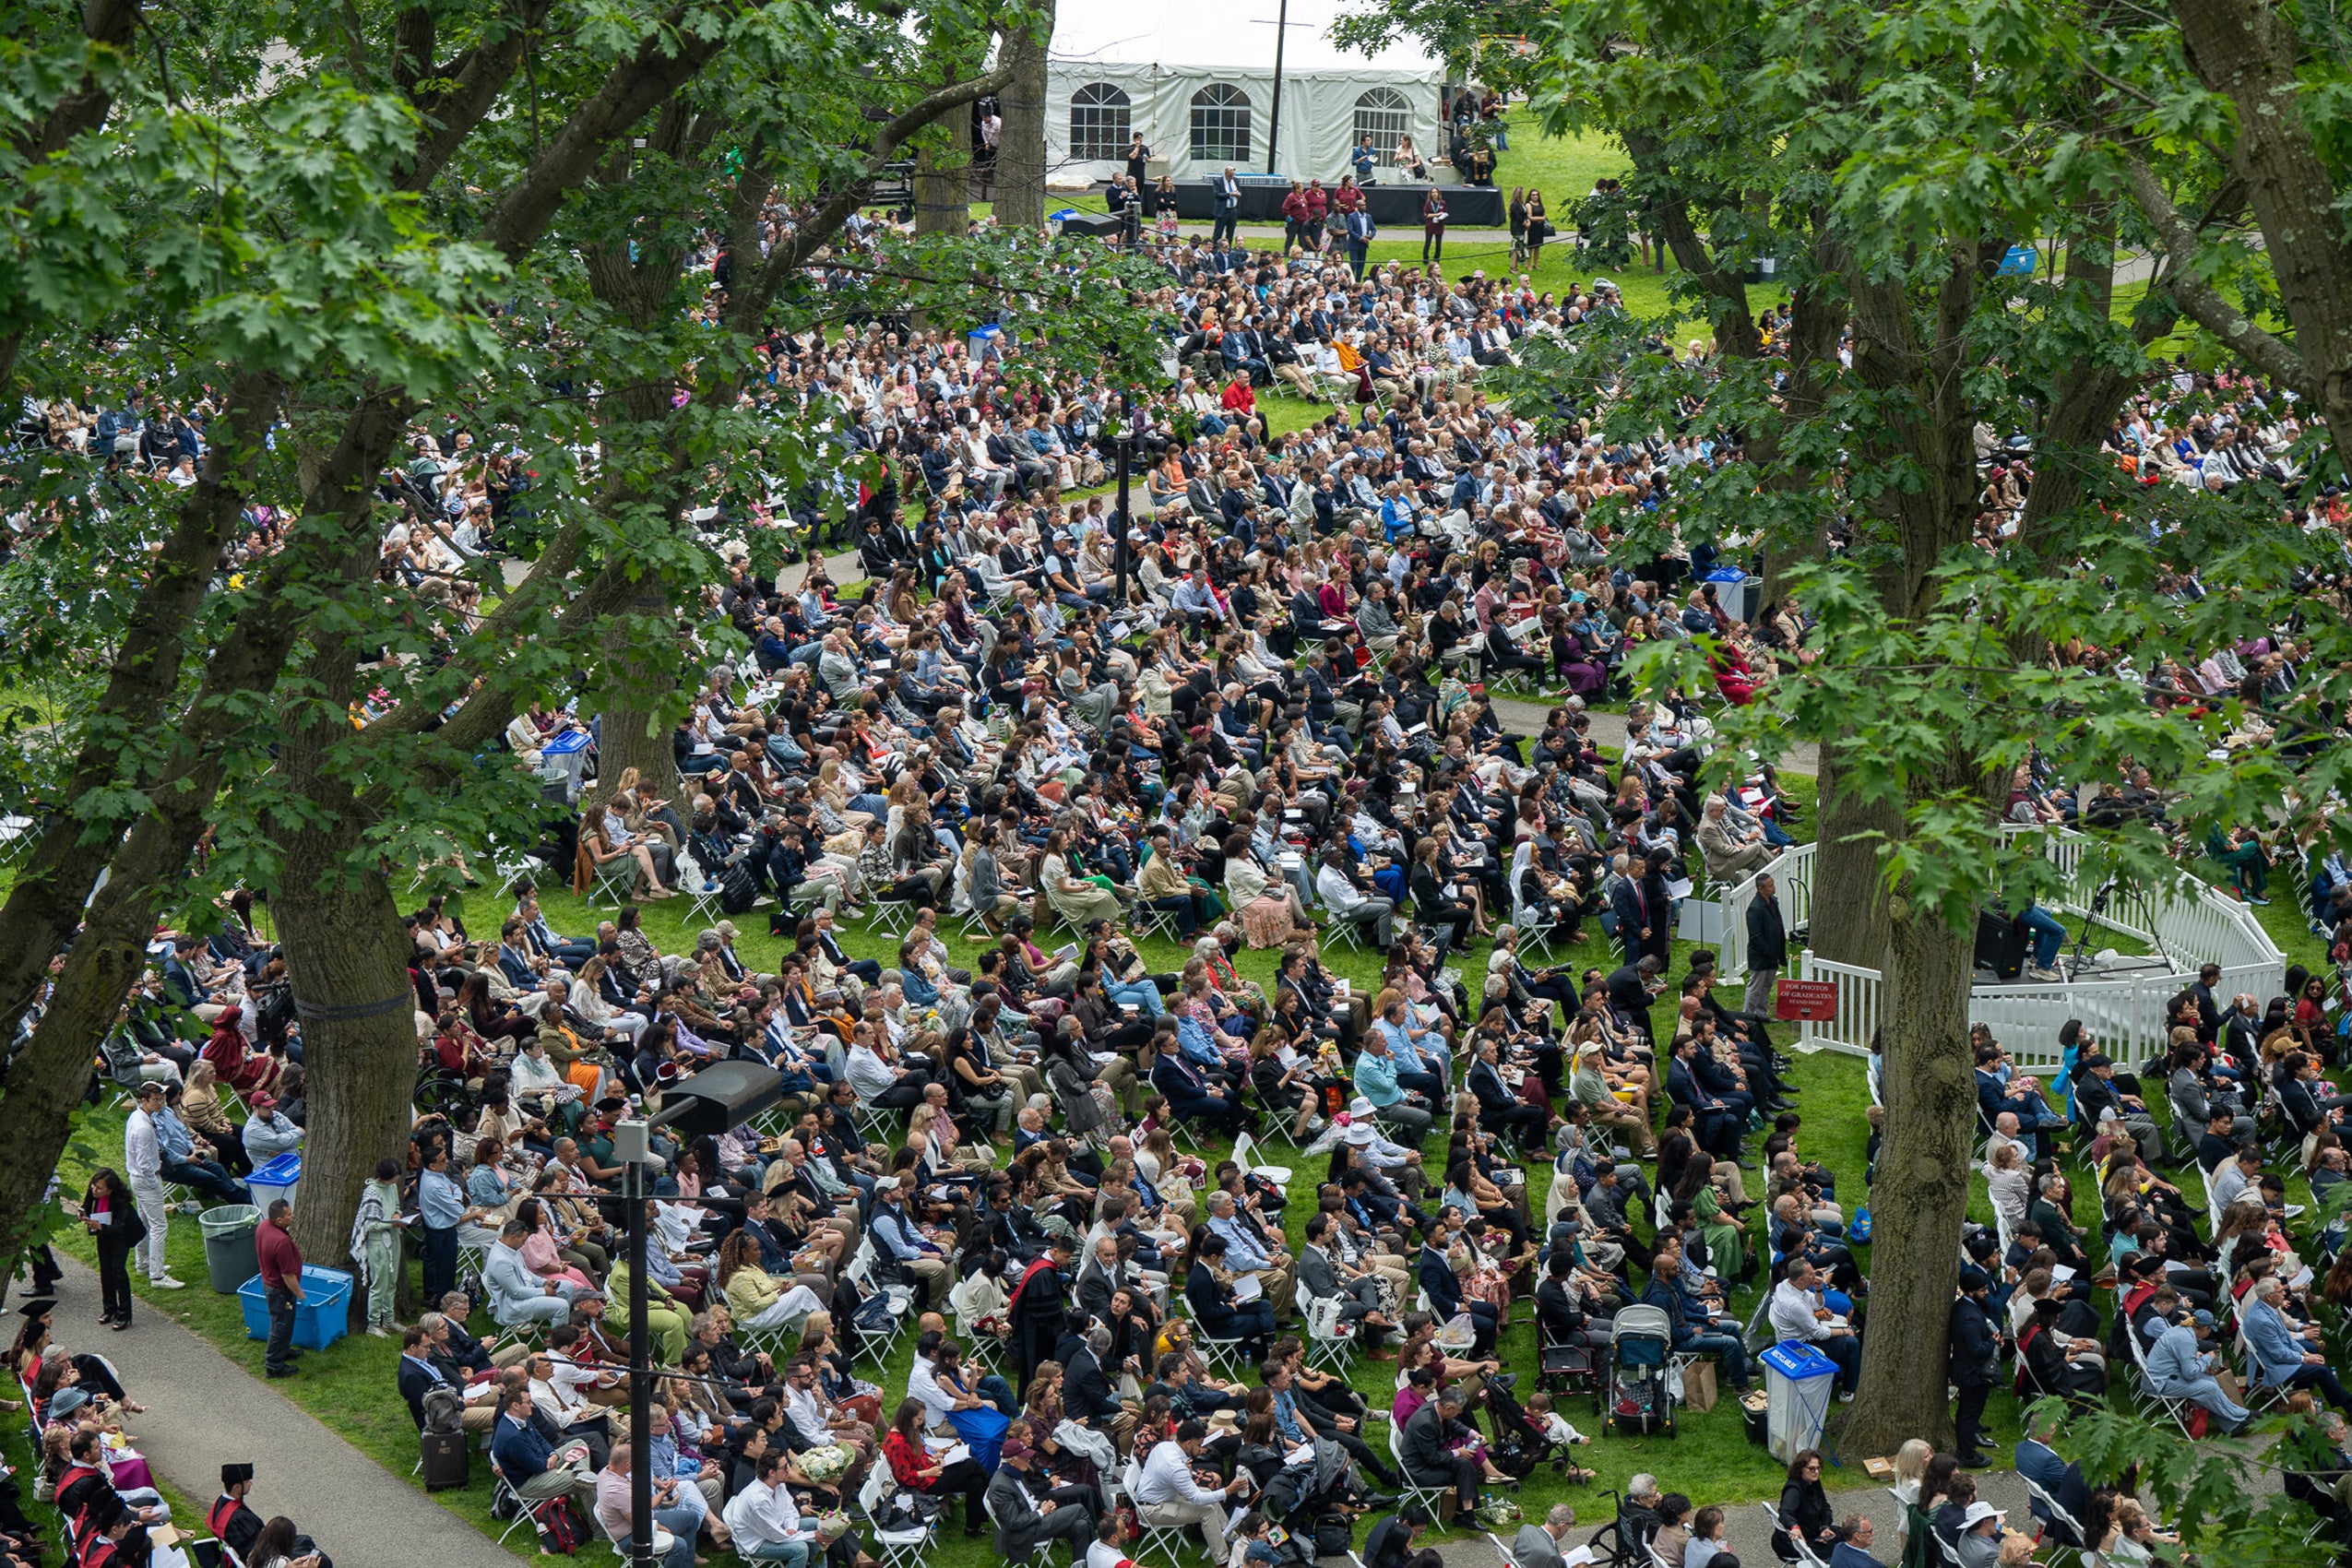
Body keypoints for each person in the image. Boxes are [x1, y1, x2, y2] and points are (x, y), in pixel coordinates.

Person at [1134, 1420, 1249, 1561]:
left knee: (1207, 1492)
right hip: (1153, 1509)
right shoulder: (1175, 1466)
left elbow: (1181, 1483)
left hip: (1157, 1498)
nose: (1201, 1449)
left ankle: (1232, 1537)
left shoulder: (1164, 1446)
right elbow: (1197, 1499)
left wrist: (1187, 1472)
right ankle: (1223, 1560)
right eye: (1199, 1445)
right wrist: (1228, 1490)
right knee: (1206, 1512)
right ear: (1188, 1443)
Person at [122, 1083, 186, 1292]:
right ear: (144, 1101)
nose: (161, 1103)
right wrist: (153, 1182)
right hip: (146, 1179)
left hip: (139, 1178)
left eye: (162, 1099)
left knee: (145, 1222)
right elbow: (143, 1162)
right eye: (156, 1099)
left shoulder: (138, 1118)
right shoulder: (143, 1128)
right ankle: (157, 1275)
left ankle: (144, 1263)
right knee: (160, 1226)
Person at [991, 1435, 1097, 1562]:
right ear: (1012, 1461)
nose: (1028, 1461)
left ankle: (1082, 1564)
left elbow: (1028, 1499)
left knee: (1081, 1525)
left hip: (1035, 1518)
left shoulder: (1015, 1472)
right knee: (1079, 1509)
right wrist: (1041, 1512)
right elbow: (1014, 1522)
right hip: (1026, 1531)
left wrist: (1044, 1504)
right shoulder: (1001, 1487)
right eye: (1024, 1458)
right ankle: (1101, 1552)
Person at [208, 1465, 334, 1568]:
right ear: (236, 1487)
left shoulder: (223, 1503)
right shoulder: (237, 1518)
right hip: (264, 1556)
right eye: (247, 1481)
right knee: (321, 1560)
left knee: (305, 1540)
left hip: (260, 1551)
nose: (250, 1484)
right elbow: (256, 1549)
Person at [595, 1443, 695, 1568]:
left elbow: (643, 1506)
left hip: (644, 1519)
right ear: (627, 1464)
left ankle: (686, 1564)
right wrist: (665, 1530)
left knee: (691, 1517)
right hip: (629, 1536)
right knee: (679, 1545)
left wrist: (663, 1490)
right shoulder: (616, 1491)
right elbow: (640, 1523)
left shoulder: (608, 1471)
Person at [82, 1168, 146, 1330]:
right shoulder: (94, 1191)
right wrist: (81, 1212)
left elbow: (119, 1227)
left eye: (99, 1188)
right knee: (105, 1269)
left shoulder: (121, 1201)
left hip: (121, 1235)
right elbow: (87, 1204)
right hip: (103, 1232)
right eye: (93, 1186)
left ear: (110, 1189)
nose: (94, 1190)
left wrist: (100, 1226)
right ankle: (109, 1308)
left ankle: (124, 1313)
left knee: (117, 1270)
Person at [256, 1197, 304, 1378]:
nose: (292, 1217)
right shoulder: (281, 1242)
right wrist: (301, 1296)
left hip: (269, 1283)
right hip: (280, 1291)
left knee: (284, 1324)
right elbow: (288, 1276)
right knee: (280, 1326)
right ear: (279, 1220)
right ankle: (274, 1365)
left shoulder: (263, 1226)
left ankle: (284, 1350)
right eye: (289, 1215)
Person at [1514, 1503, 1579, 1568]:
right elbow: (1548, 1556)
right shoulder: (1551, 1556)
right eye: (1569, 1527)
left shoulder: (1526, 1529)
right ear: (1563, 1527)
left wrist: (1558, 1559)